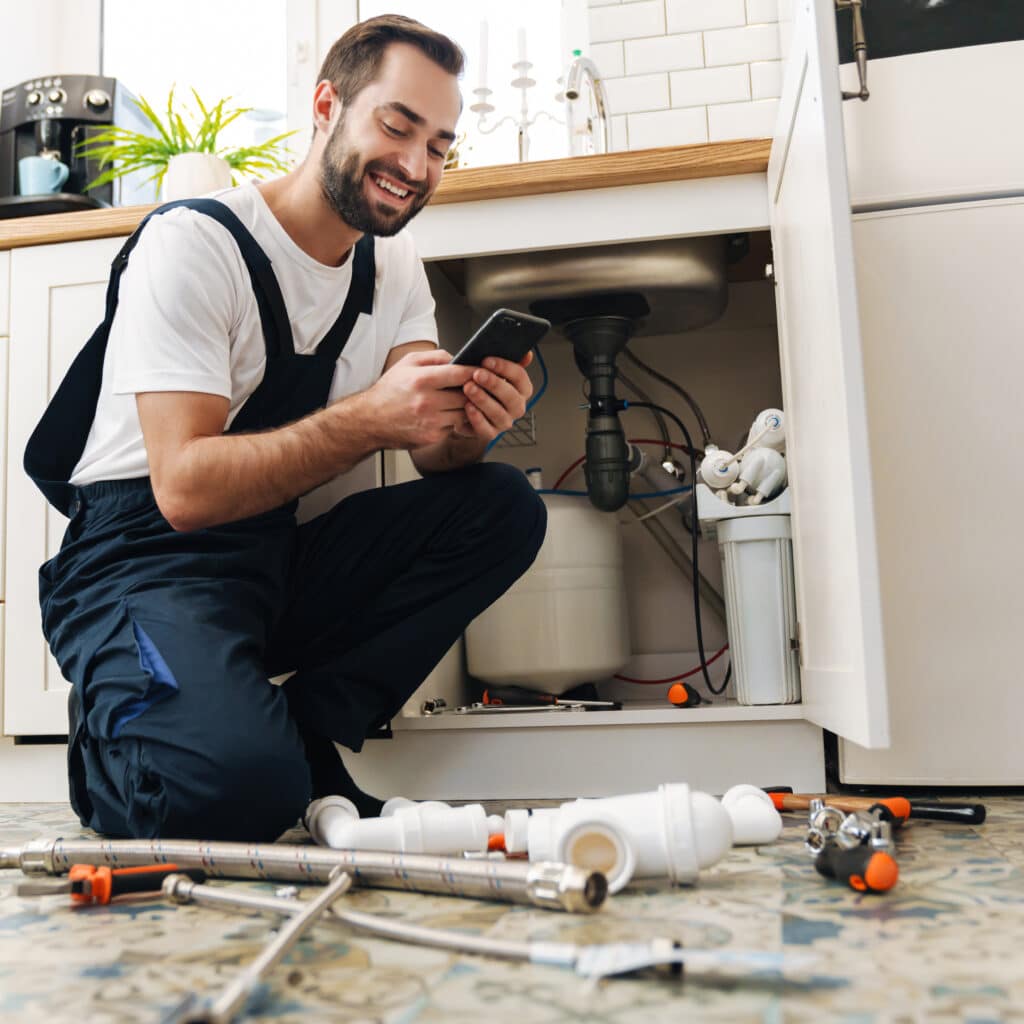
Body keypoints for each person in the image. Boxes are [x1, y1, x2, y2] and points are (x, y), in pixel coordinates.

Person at [24, 15, 547, 842]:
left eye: (440, 146)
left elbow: (434, 452)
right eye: (397, 126)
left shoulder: (391, 264)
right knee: (235, 797)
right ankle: (118, 736)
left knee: (502, 505)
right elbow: (186, 489)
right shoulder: (196, 243)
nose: (415, 167)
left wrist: (472, 424)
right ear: (327, 105)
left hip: (269, 558)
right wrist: (369, 418)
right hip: (140, 563)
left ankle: (307, 728)